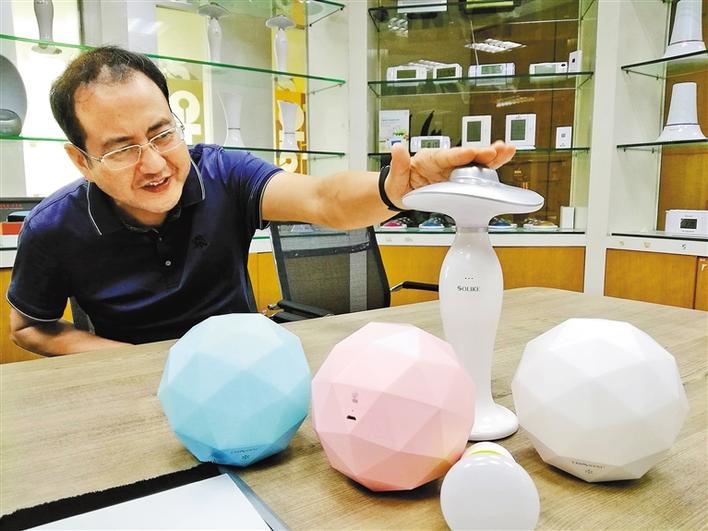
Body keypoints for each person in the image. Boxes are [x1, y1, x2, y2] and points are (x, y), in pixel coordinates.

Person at [7, 46, 515, 356]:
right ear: (82, 160)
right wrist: (131, 361)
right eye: (122, 149)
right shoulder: (53, 227)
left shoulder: (221, 173)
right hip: (132, 388)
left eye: (162, 133)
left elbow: (322, 198)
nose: (155, 164)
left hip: (245, 370)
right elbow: (28, 328)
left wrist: (394, 188)